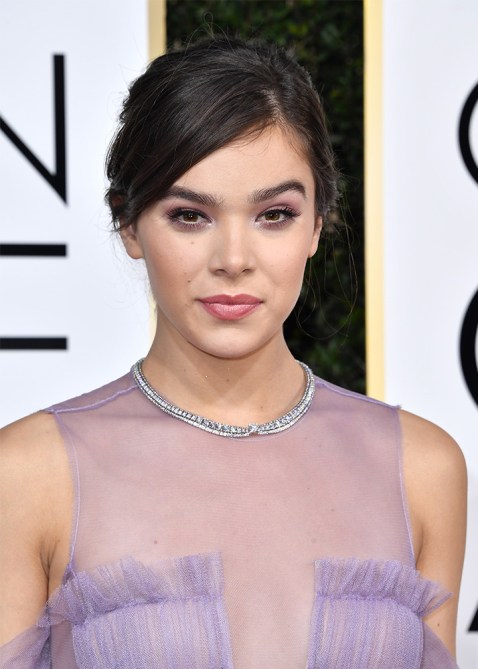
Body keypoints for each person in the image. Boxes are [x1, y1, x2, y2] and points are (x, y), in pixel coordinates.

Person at [0, 36, 467, 669]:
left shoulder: (423, 468)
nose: (234, 260)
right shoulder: (28, 474)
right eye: (190, 216)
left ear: (317, 225)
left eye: (274, 214)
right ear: (129, 224)